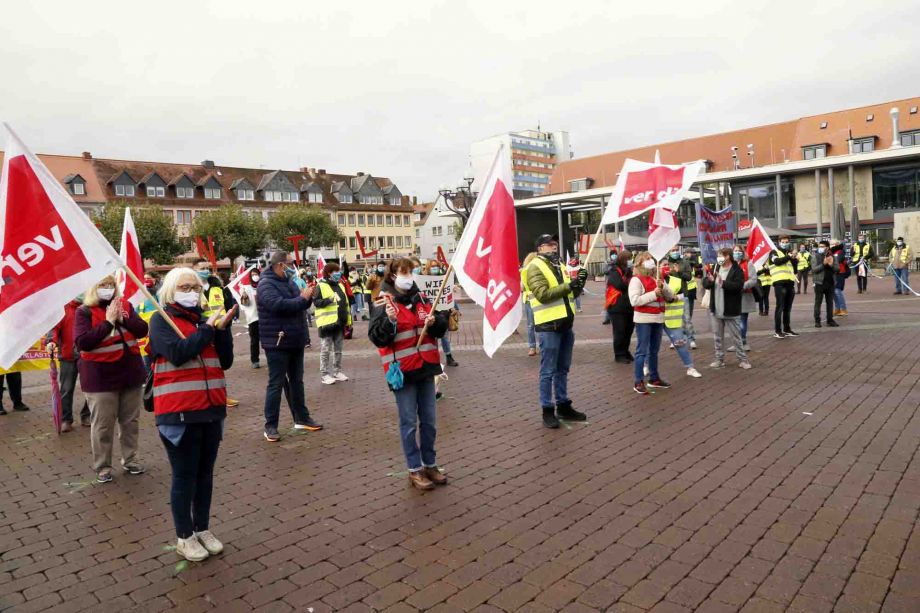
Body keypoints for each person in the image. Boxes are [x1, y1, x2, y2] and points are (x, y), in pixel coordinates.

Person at [149, 267, 235, 562]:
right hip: (179, 413)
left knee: (205, 474)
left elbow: (225, 361)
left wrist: (221, 332)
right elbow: (178, 353)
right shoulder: (161, 321)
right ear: (171, 290)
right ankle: (184, 536)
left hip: (211, 409)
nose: (193, 292)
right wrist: (208, 331)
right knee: (184, 476)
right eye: (186, 287)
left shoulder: (203, 320)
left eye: (196, 288)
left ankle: (202, 528)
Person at [368, 258, 451, 491]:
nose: (409, 276)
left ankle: (430, 464)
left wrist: (436, 322)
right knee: (408, 423)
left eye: (411, 271)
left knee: (430, 421)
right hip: (402, 371)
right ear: (393, 276)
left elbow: (439, 328)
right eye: (404, 272)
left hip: (426, 367)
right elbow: (376, 337)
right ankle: (414, 469)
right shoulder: (382, 302)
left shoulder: (422, 298)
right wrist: (390, 322)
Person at [74, 275, 148, 483]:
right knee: (103, 425)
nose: (108, 289)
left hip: (130, 373)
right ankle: (103, 466)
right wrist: (108, 323)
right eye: (102, 285)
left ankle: (131, 459)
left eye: (110, 285)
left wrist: (124, 319)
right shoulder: (84, 311)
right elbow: (84, 342)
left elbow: (143, 330)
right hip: (100, 377)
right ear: (93, 288)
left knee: (130, 421)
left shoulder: (125, 306)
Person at [257, 251, 322, 441]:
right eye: (290, 264)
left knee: (297, 381)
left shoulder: (289, 282)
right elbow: (278, 305)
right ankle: (270, 425)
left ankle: (301, 417)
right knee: (276, 384)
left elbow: (299, 304)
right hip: (277, 341)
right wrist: (302, 299)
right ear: (280, 265)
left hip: (295, 339)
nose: (293, 268)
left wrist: (308, 296)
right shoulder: (265, 284)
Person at [526, 234, 587, 428]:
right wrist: (569, 285)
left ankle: (563, 404)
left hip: (565, 325)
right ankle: (547, 409)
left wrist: (579, 283)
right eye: (549, 245)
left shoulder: (560, 266)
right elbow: (543, 295)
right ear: (540, 248)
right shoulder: (534, 267)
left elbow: (569, 293)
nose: (554, 247)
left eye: (555, 244)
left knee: (562, 369)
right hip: (549, 326)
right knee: (548, 371)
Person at [193, 260, 240, 407]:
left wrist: (228, 320)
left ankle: (222, 394)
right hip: (203, 330)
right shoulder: (192, 288)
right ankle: (205, 396)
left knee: (221, 363)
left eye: (207, 268)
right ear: (194, 270)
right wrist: (199, 309)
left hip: (221, 330)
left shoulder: (218, 287)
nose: (206, 270)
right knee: (203, 364)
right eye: (202, 268)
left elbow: (229, 305)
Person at [628, 252, 675, 394]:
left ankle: (654, 378)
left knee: (654, 350)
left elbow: (670, 295)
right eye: (646, 259)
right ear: (639, 263)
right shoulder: (636, 280)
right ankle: (638, 381)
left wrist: (663, 287)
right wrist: (654, 294)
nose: (650, 261)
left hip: (658, 318)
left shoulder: (657, 278)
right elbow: (634, 300)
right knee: (641, 351)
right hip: (644, 319)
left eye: (651, 259)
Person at [44, 295, 90, 430]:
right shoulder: (63, 308)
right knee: (66, 389)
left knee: (90, 387)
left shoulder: (91, 307)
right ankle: (66, 419)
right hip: (67, 355)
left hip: (87, 355)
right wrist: (51, 341)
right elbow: (54, 328)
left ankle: (87, 415)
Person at [702, 248, 751, 369]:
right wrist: (709, 280)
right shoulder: (715, 268)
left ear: (727, 256)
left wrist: (722, 283)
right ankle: (719, 359)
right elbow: (706, 284)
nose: (718, 258)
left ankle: (743, 360)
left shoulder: (736, 270)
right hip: (716, 309)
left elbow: (738, 286)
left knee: (736, 337)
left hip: (731, 309)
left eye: (720, 256)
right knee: (717, 337)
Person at [314, 262, 352, 385]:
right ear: (329, 273)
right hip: (327, 323)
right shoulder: (321, 285)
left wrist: (348, 321)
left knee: (338, 349)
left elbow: (345, 303)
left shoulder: (340, 285)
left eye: (339, 271)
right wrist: (329, 300)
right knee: (325, 349)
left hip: (340, 322)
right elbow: (316, 302)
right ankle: (324, 374)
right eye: (335, 271)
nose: (338, 273)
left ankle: (337, 371)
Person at [662, 265, 702, 378]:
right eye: (661, 265)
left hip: (672, 318)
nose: (664, 267)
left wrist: (673, 297)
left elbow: (682, 296)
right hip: (654, 318)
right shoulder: (648, 281)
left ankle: (690, 367)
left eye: (666, 265)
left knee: (680, 343)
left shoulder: (676, 281)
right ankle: (646, 366)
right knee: (649, 345)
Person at [424, 260, 459, 366]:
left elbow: (449, 296)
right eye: (432, 267)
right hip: (432, 314)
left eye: (436, 266)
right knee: (432, 338)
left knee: (444, 337)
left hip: (443, 313)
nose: (435, 268)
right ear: (428, 268)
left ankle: (449, 357)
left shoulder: (444, 279)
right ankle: (433, 360)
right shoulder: (424, 281)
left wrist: (454, 307)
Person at [606, 250, 634, 364]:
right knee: (620, 331)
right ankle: (619, 354)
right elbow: (620, 285)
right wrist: (629, 279)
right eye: (629, 259)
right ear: (623, 260)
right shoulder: (614, 271)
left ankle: (625, 351)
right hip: (617, 306)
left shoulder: (629, 271)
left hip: (629, 305)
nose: (630, 261)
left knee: (628, 330)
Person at [768, 236, 798, 338]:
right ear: (779, 242)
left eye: (786, 242)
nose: (785, 243)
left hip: (790, 283)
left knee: (787, 308)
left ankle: (787, 329)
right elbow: (777, 262)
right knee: (780, 307)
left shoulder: (788, 253)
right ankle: (778, 330)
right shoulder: (773, 252)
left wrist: (794, 259)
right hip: (779, 283)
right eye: (783, 242)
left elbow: (795, 270)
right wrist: (789, 257)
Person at [729, 246, 757, 352]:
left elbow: (753, 279)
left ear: (743, 252)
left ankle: (743, 342)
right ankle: (737, 342)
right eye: (735, 251)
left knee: (742, 319)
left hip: (744, 296)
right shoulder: (729, 264)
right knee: (733, 321)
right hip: (731, 297)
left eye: (739, 251)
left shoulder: (748, 264)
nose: (737, 253)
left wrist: (742, 285)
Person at [238, 268, 262, 368]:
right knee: (254, 341)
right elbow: (245, 304)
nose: (255, 276)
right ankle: (255, 360)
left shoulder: (263, 286)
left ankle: (271, 358)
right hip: (253, 318)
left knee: (268, 339)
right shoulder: (246, 288)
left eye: (256, 274)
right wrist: (243, 294)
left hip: (265, 317)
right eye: (252, 274)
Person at [812, 240, 839, 327]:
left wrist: (831, 264)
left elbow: (837, 269)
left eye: (822, 246)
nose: (820, 248)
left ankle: (830, 320)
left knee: (830, 302)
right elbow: (814, 270)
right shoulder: (815, 256)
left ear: (827, 247)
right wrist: (823, 264)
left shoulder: (833, 257)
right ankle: (817, 320)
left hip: (830, 282)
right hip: (819, 283)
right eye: (820, 246)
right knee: (818, 302)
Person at [521, 253, 538, 356]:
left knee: (531, 325)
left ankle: (532, 347)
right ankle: (538, 346)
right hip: (534, 300)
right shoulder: (526, 271)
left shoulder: (524, 271)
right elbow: (522, 287)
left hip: (530, 300)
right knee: (538, 325)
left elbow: (521, 288)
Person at [832, 241, 850, 317]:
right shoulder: (831, 252)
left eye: (832, 244)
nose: (831, 245)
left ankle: (843, 309)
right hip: (833, 273)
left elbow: (838, 260)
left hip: (840, 273)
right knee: (834, 291)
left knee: (837, 290)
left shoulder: (840, 251)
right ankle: (837, 308)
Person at [601, 251, 617, 325]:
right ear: (610, 256)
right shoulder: (607, 262)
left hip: (617, 284)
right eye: (613, 255)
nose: (614, 256)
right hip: (609, 285)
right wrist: (611, 267)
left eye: (615, 255)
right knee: (609, 302)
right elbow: (604, 271)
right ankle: (607, 318)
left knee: (616, 302)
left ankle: (614, 318)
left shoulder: (618, 262)